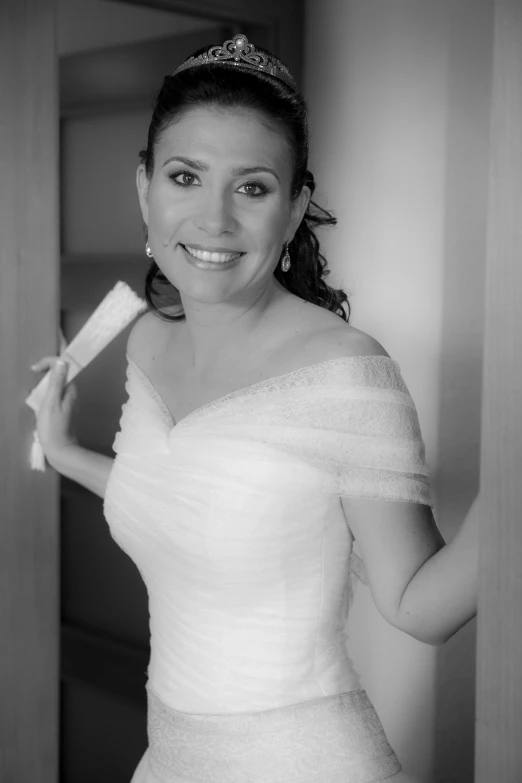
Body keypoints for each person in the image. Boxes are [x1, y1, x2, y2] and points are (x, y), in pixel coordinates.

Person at [31, 33, 479, 783]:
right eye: (185, 176)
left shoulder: (345, 372)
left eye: (252, 187)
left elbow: (415, 604)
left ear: (295, 205)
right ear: (145, 187)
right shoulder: (148, 341)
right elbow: (184, 493)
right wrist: (65, 448)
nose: (212, 220)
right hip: (170, 758)